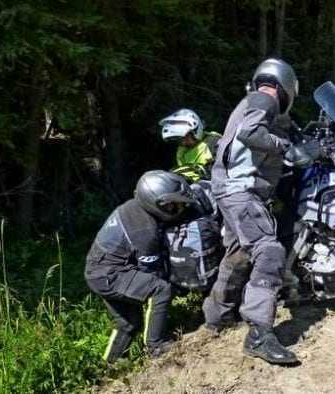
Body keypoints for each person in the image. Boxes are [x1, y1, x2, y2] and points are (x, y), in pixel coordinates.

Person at [202, 58, 300, 365]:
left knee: (239, 254)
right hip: (240, 191)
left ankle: (216, 317)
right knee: (268, 250)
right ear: (285, 85)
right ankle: (259, 334)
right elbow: (249, 133)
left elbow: (266, 136)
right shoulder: (264, 98)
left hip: (229, 189)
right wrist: (286, 149)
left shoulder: (251, 101)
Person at [84, 170, 198, 362]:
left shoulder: (135, 208)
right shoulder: (144, 231)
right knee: (160, 289)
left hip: (99, 270)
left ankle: (111, 364)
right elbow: (154, 274)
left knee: (128, 322)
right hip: (108, 274)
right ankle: (156, 347)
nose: (177, 210)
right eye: (172, 206)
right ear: (155, 203)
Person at [159, 108, 222, 182]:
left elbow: (220, 171)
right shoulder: (181, 152)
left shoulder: (214, 141)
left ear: (195, 131)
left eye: (185, 137)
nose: (183, 142)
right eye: (179, 139)